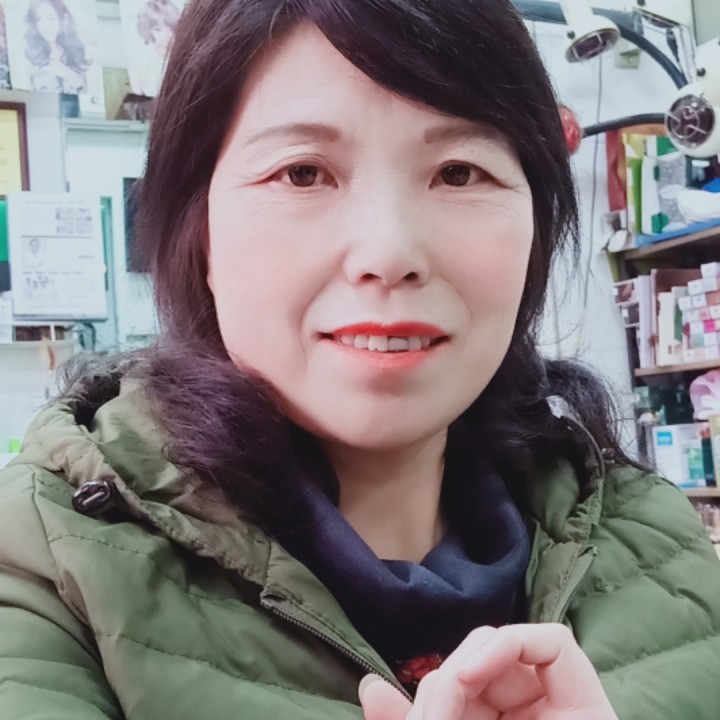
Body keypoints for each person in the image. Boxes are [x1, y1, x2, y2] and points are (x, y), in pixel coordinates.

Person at [0, 1, 718, 718]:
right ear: (200, 232)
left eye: (459, 173)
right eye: (302, 173)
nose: (389, 253)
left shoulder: (654, 537)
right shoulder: (43, 561)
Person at [23, 0, 88, 94]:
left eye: (51, 18)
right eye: (39, 19)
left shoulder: (81, 56)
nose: (46, 26)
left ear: (63, 19)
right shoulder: (29, 63)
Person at [133, 0, 182, 96]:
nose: (166, 36)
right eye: (157, 29)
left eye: (171, 29)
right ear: (148, 31)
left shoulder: (185, 60)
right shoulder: (141, 65)